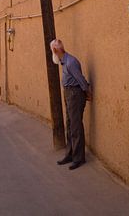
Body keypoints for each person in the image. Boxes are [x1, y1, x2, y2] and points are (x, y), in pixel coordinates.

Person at [50, 39, 92, 170]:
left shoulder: (70, 62)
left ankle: (79, 158)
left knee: (75, 126)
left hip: (74, 95)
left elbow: (81, 79)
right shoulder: (64, 62)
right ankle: (70, 154)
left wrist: (88, 93)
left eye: (52, 51)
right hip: (68, 94)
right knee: (69, 124)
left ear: (55, 50)